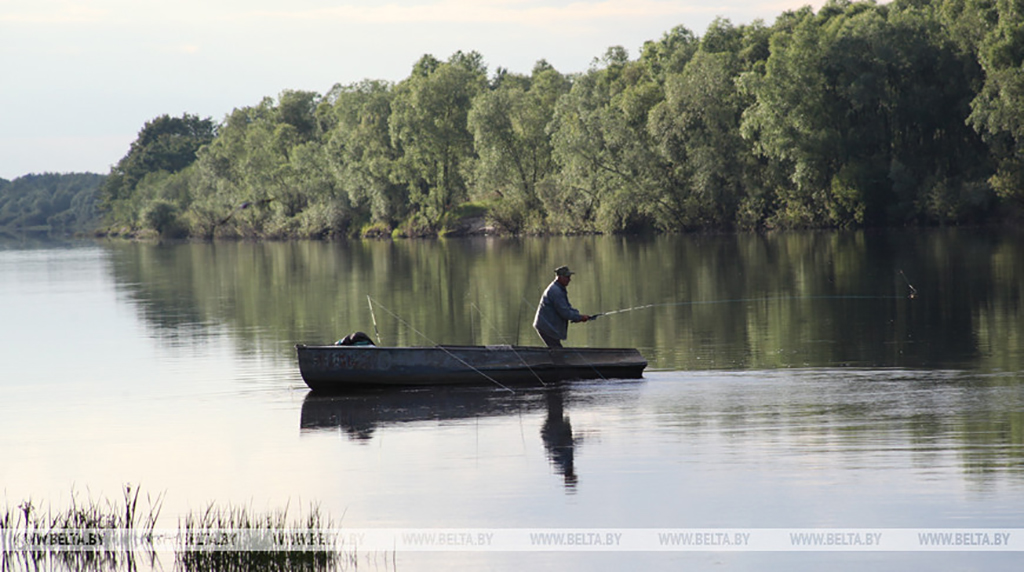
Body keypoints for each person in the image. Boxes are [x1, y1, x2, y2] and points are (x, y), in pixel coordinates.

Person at [533, 266, 591, 349]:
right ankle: (558, 361)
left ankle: (555, 361)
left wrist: (578, 316)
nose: (569, 280)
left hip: (549, 327)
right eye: (567, 277)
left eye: (569, 277)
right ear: (560, 277)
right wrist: (580, 317)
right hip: (546, 327)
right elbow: (565, 312)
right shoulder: (556, 291)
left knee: (556, 350)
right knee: (558, 352)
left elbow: (567, 307)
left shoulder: (559, 289)